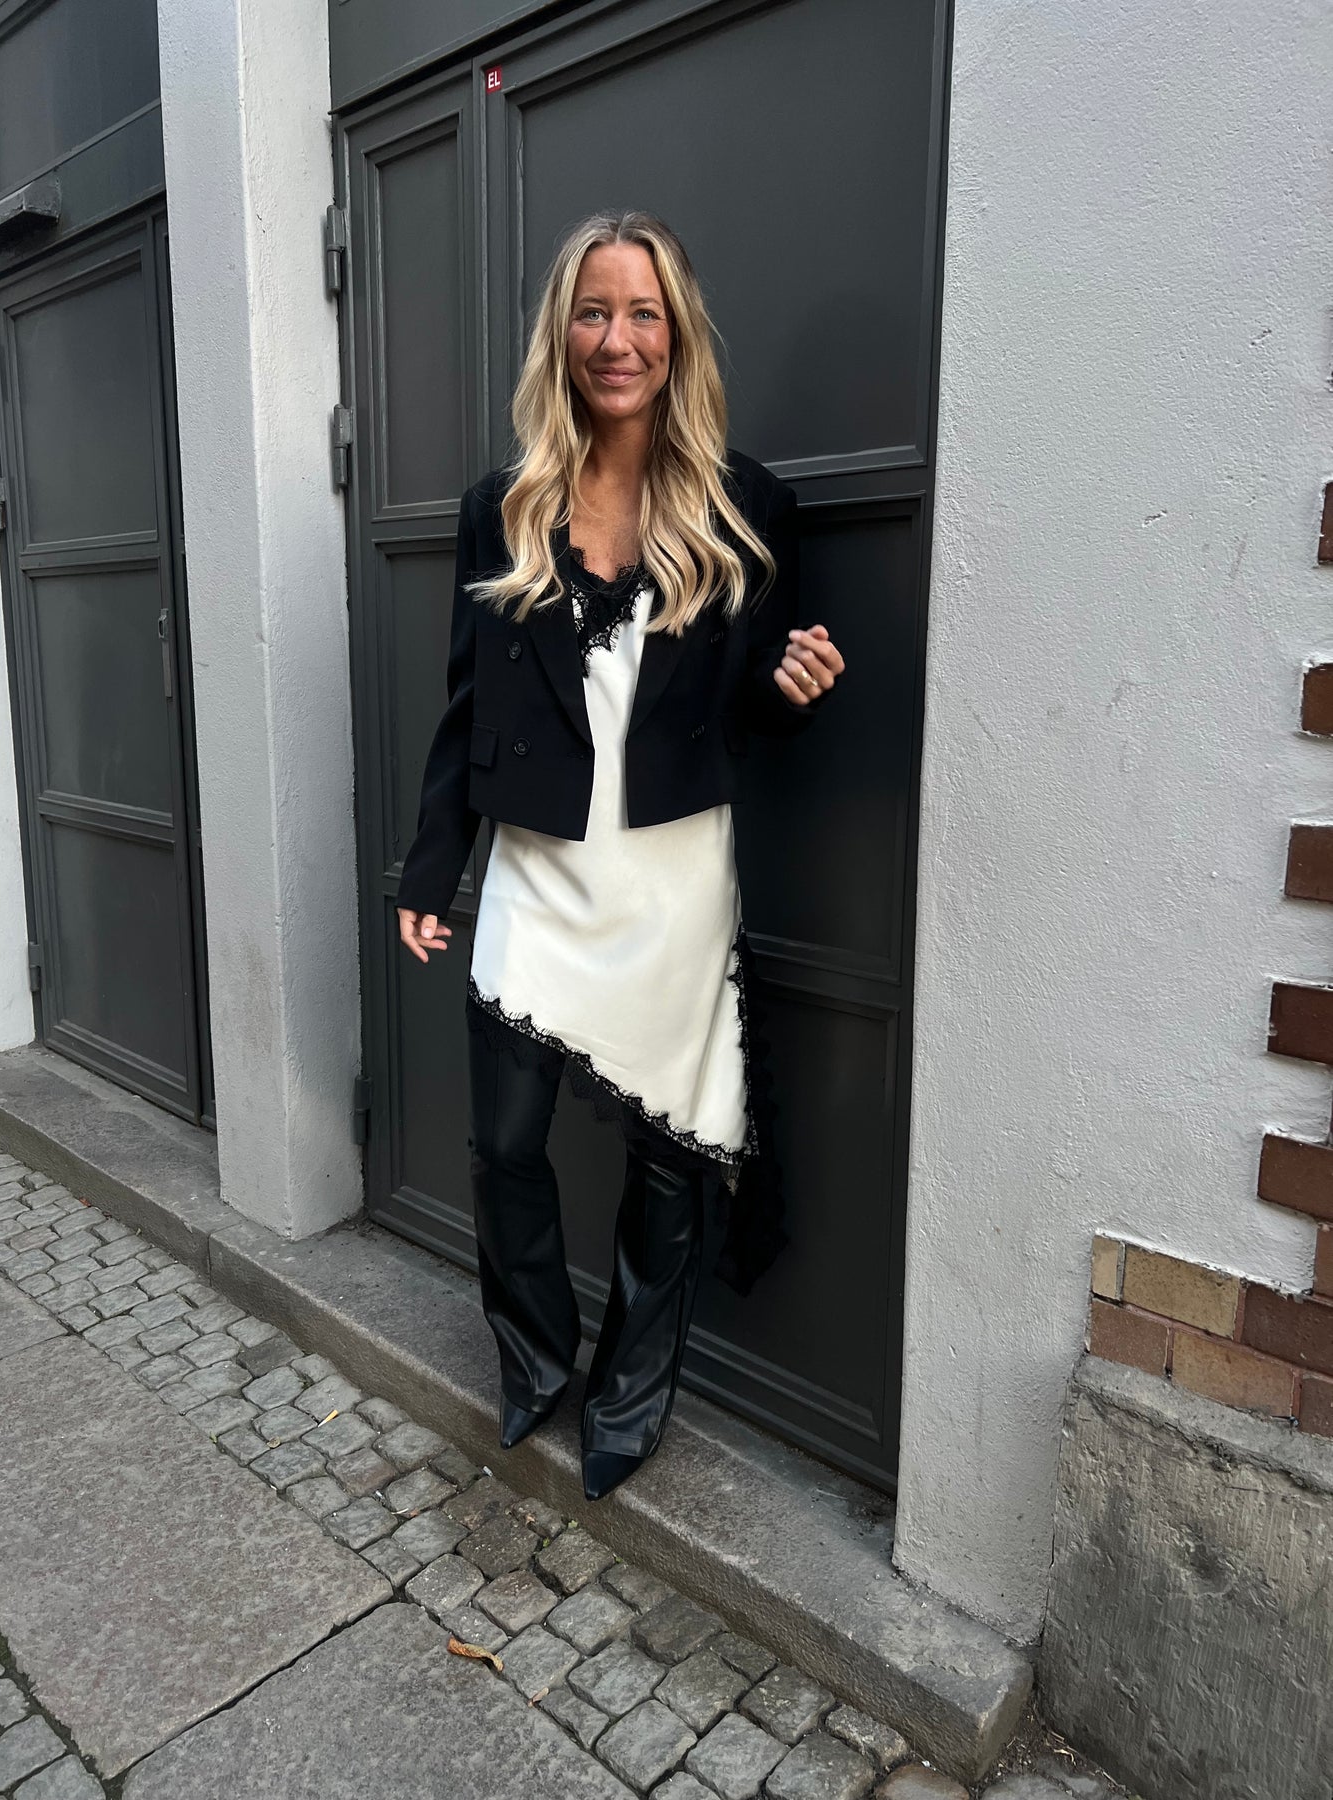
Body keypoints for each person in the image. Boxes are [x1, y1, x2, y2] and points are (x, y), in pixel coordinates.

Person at [394, 209, 844, 1501]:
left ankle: (630, 1393)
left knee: (667, 1154)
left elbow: (748, 704)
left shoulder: (746, 505)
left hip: (670, 879)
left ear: (676, 335)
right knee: (504, 1143)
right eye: (594, 311)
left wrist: (793, 685)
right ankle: (536, 1355)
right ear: (563, 334)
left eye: (643, 313)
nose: (617, 338)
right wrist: (432, 867)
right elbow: (468, 707)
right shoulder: (502, 510)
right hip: (537, 872)